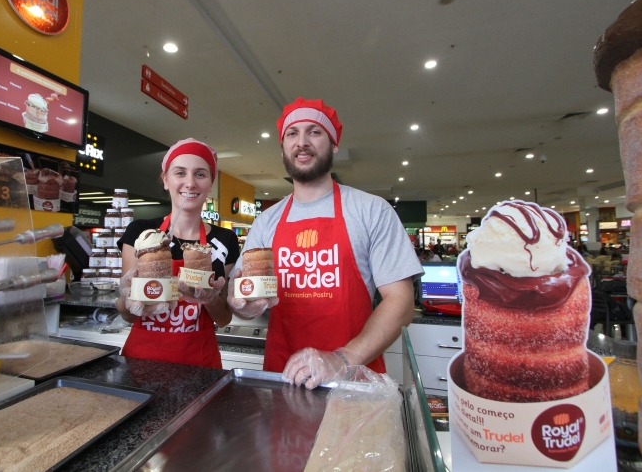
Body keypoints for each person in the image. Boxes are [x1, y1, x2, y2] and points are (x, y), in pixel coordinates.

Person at [227, 98, 423, 389]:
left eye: (314, 132)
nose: (302, 142)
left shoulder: (371, 210)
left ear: (333, 145)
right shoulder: (266, 221)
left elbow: (401, 302)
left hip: (354, 382)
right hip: (283, 381)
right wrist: (242, 305)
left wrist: (342, 359)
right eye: (292, 134)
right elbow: (241, 290)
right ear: (283, 147)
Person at [116, 138, 240, 368]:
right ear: (165, 180)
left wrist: (210, 299)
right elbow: (127, 314)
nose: (190, 183)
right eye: (180, 173)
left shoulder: (225, 240)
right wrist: (127, 298)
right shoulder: (141, 233)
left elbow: (223, 319)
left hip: (200, 366)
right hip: (142, 362)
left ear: (211, 183)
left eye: (200, 174)